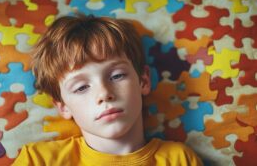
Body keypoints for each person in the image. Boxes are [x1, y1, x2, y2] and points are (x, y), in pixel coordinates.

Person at [12, 14, 203, 166]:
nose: (104, 93)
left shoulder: (180, 160)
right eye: (81, 87)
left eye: (117, 76)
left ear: (143, 81)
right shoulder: (38, 160)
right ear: (63, 107)